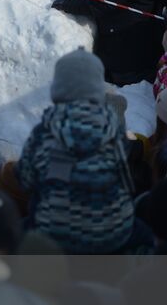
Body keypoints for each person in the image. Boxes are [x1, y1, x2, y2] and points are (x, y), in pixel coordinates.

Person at [18, 50, 137, 253]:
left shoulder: (45, 130)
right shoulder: (112, 125)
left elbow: (25, 180)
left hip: (55, 235)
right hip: (112, 231)